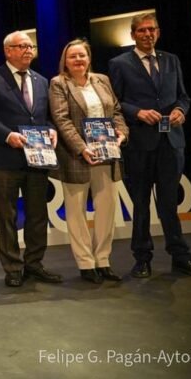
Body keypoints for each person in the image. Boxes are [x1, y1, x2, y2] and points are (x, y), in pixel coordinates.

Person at [108, 13, 191, 279]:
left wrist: (180, 110)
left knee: (169, 204)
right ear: (133, 35)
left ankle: (180, 256)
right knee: (140, 205)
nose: (147, 34)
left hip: (171, 141)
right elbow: (114, 103)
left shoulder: (171, 60)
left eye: (152, 29)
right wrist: (137, 112)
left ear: (158, 32)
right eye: (141, 30)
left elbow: (183, 96)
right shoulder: (120, 63)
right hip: (139, 143)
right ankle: (142, 258)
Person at [0, 31, 62, 288]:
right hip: (5, 159)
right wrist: (7, 136)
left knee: (37, 214)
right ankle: (13, 267)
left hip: (37, 158)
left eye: (30, 46)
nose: (28, 50)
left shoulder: (41, 80)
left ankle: (34, 264)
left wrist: (51, 129)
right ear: (8, 51)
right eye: (22, 46)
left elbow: (43, 116)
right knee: (7, 216)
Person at [49, 39, 129, 284]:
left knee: (106, 210)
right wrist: (82, 149)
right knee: (76, 212)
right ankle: (85, 264)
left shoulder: (102, 80)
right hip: (77, 156)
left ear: (89, 57)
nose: (78, 60)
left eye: (82, 55)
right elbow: (61, 120)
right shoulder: (58, 83)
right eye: (73, 56)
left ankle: (103, 260)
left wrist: (122, 133)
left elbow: (116, 111)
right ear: (65, 60)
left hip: (107, 153)